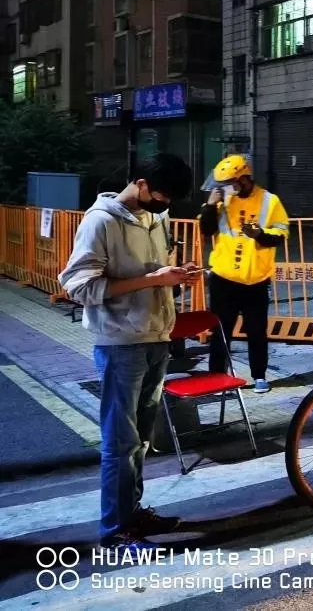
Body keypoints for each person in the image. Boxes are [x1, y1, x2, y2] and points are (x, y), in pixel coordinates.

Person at [58, 154, 199, 553]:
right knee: (120, 442)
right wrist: (152, 279)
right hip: (120, 344)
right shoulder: (100, 221)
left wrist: (175, 276)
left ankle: (132, 512)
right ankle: (116, 529)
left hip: (157, 336)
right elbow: (79, 286)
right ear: (140, 184)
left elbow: (153, 272)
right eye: (161, 195)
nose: (165, 203)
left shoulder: (157, 217)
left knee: (140, 440)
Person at [199, 155, 290, 394]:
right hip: (223, 279)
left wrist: (260, 234)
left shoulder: (269, 201)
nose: (227, 188)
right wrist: (210, 205)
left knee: (257, 331)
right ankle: (216, 375)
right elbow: (206, 229)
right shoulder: (222, 201)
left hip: (255, 280)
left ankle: (259, 375)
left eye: (231, 183)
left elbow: (281, 234)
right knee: (220, 331)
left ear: (244, 179)